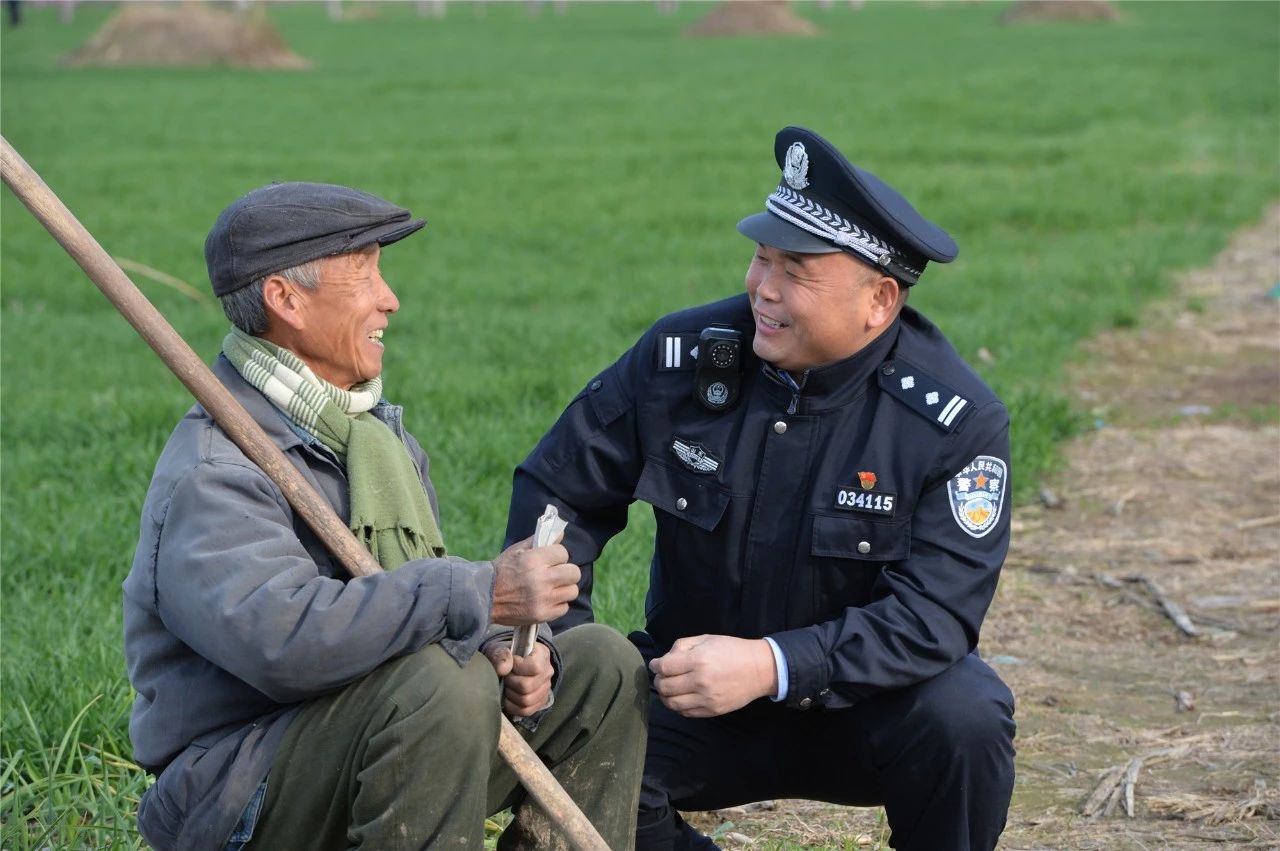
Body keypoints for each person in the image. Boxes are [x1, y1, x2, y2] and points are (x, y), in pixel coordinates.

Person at [506, 127, 1016, 851]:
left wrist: (770, 665)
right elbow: (562, 492)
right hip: (694, 691)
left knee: (966, 714)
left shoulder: (952, 420)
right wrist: (551, 649)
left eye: (797, 271)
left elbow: (932, 616)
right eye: (760, 256)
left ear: (879, 299)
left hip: (866, 705)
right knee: (575, 744)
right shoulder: (677, 359)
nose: (762, 288)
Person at [122, 182, 648, 851]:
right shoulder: (215, 470)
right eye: (364, 273)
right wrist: (479, 592)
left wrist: (494, 646)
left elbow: (409, 605)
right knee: (440, 686)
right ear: (285, 300)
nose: (389, 298)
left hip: (381, 732)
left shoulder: (371, 439)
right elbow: (285, 644)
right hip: (239, 788)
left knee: (599, 665)